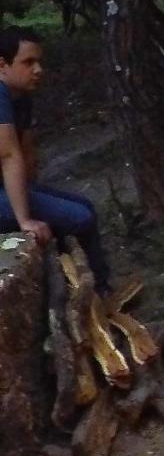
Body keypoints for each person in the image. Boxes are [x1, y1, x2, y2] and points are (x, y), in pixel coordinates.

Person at [0, 27, 111, 290]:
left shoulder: (21, 97)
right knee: (78, 217)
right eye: (28, 62)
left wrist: (34, 195)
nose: (38, 70)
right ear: (2, 65)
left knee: (83, 206)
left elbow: (26, 152)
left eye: (39, 62)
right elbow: (7, 154)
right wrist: (25, 220)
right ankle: (91, 292)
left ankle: (88, 288)